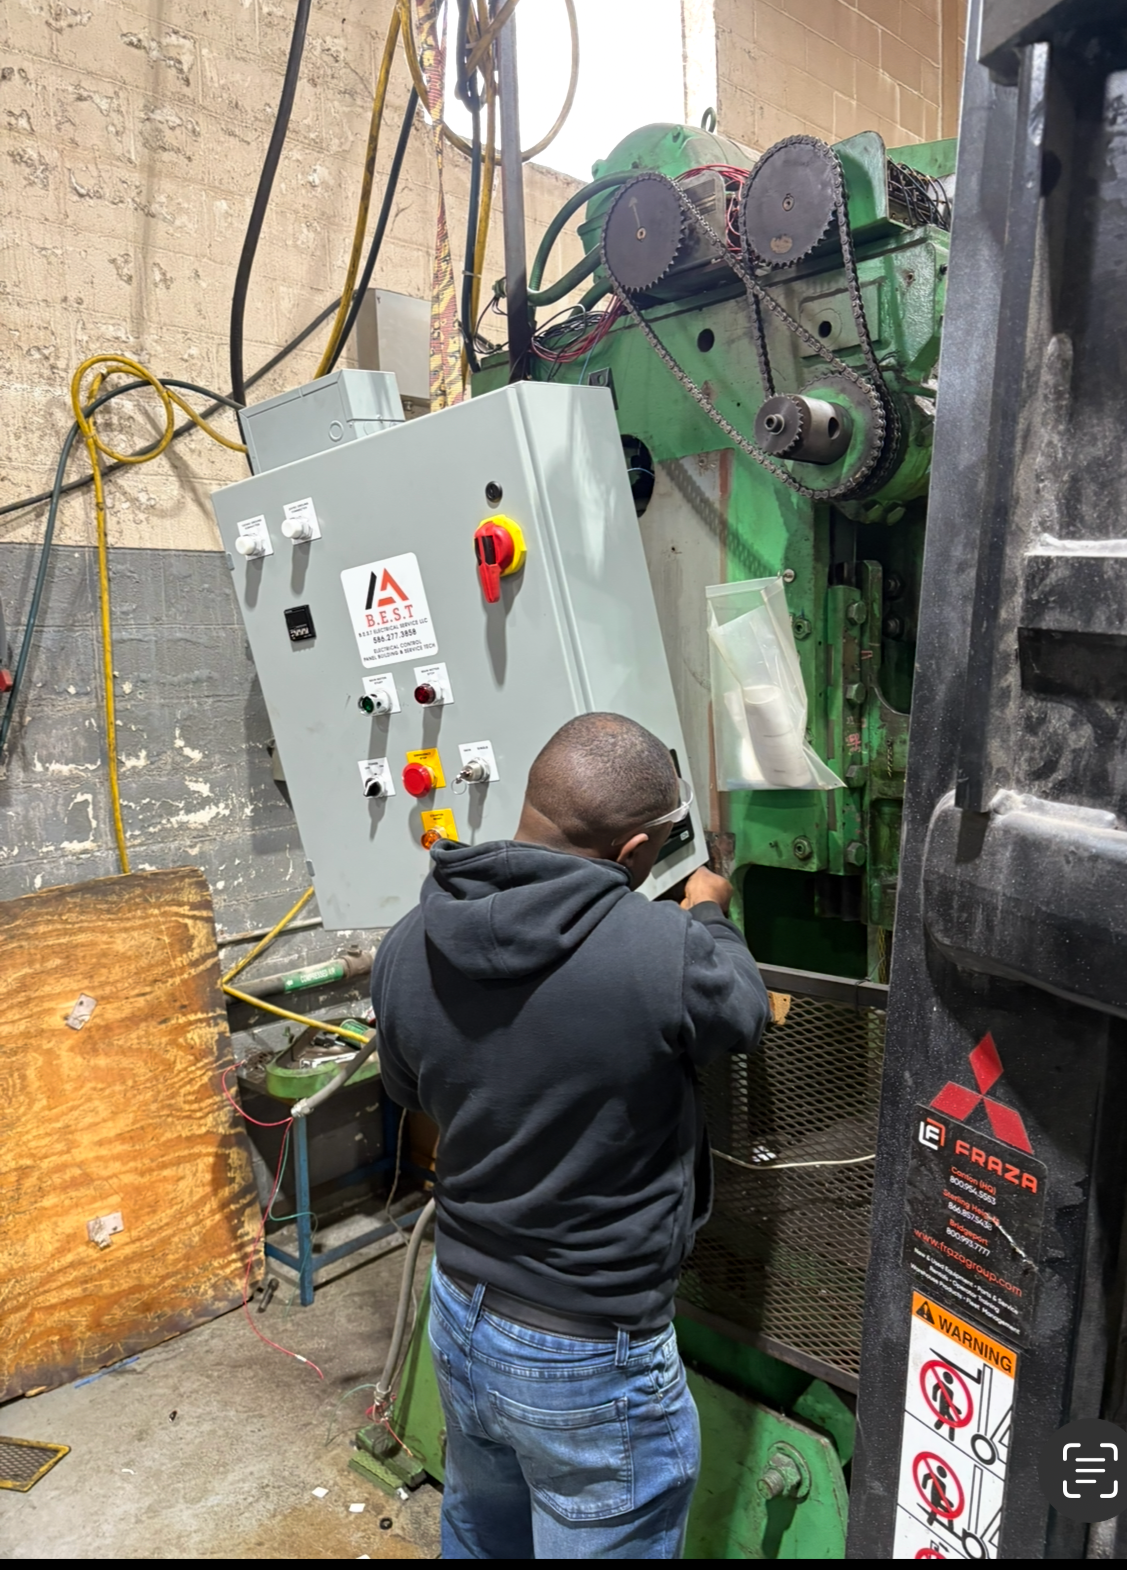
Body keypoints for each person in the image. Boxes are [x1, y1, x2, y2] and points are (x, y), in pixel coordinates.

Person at [371, 712, 768, 1559]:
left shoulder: (407, 943)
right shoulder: (662, 951)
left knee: (482, 1535)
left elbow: (412, 1091)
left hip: (462, 1313)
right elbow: (738, 1013)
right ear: (634, 853)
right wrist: (709, 911)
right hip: (589, 1351)